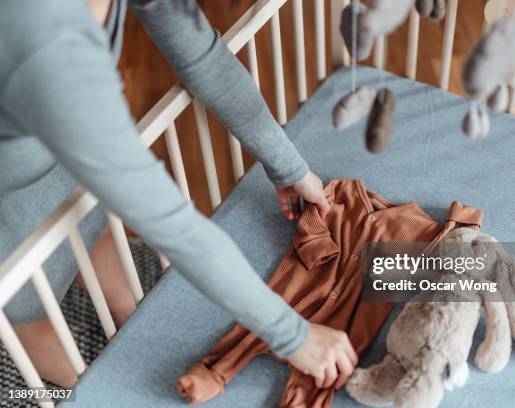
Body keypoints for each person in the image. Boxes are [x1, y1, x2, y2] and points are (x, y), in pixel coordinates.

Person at [0, 0, 357, 391]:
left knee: (97, 229)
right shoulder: (39, 37)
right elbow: (166, 218)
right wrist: (294, 336)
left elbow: (202, 57)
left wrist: (289, 168)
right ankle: (92, 389)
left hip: (55, 151)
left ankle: (130, 321)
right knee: (31, 312)